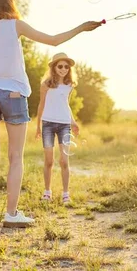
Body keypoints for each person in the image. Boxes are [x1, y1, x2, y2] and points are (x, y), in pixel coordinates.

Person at [0, 0, 102, 227]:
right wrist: (82, 28)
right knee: (15, 156)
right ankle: (10, 214)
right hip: (14, 93)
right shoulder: (15, 25)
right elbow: (52, 40)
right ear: (8, 2)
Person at [36, 53, 79, 204]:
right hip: (47, 124)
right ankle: (47, 192)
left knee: (64, 161)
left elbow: (66, 104)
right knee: (49, 161)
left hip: (64, 125)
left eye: (66, 67)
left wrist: (73, 122)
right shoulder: (46, 84)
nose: (63, 69)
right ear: (54, 67)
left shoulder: (70, 86)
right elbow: (41, 105)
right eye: (60, 66)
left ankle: (66, 194)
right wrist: (38, 126)